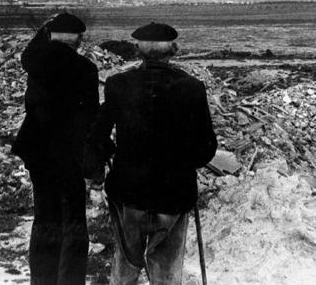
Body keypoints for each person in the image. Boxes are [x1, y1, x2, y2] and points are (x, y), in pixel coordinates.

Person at [84, 22, 217, 285]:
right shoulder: (192, 87)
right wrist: (184, 161)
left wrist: (97, 172)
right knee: (167, 270)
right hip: (174, 194)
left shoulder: (117, 84)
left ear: (138, 51)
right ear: (173, 51)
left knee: (125, 265)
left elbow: (97, 136)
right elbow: (206, 148)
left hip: (129, 191)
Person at [11, 12, 99, 285]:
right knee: (73, 222)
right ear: (78, 40)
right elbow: (91, 119)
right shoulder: (85, 69)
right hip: (70, 155)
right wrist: (93, 164)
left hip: (39, 154)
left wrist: (45, 28)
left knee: (44, 220)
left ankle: (42, 280)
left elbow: (28, 52)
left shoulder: (36, 62)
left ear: (51, 36)